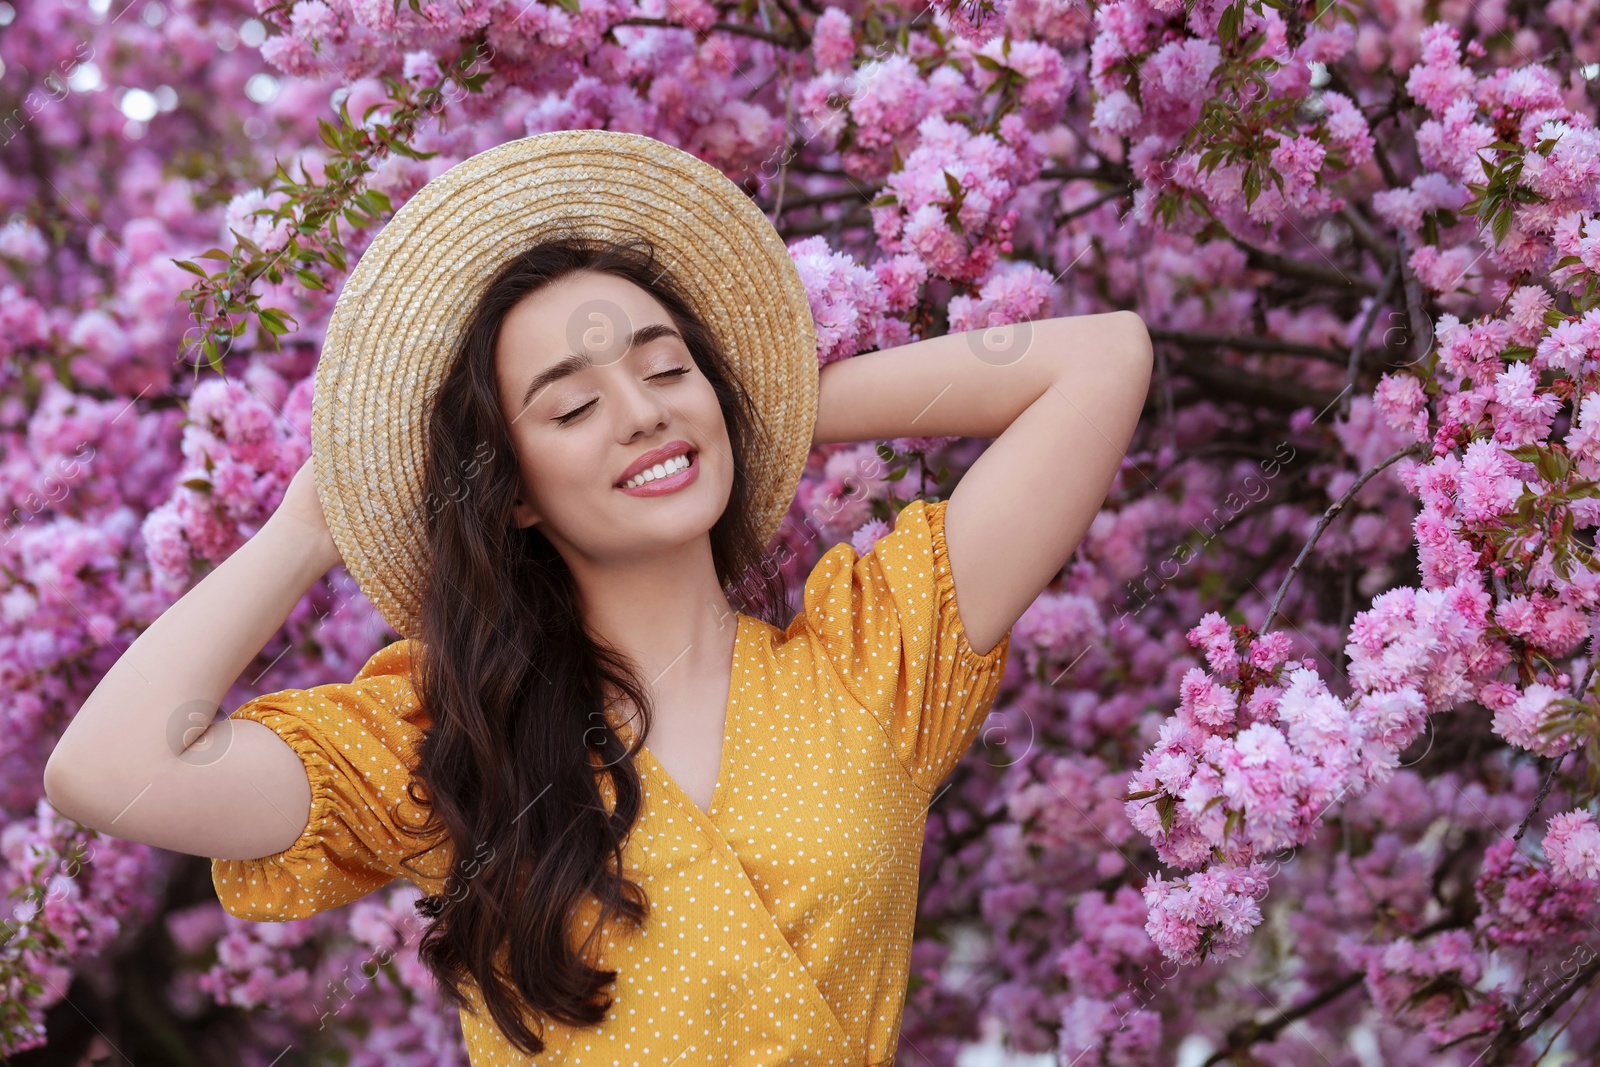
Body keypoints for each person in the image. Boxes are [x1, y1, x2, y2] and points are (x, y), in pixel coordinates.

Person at [43, 130, 1152, 1065]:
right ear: (512, 490)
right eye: (571, 409)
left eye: (666, 369)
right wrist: (298, 534)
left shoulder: (874, 656)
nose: (639, 413)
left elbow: (1101, 360)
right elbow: (110, 769)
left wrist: (762, 402)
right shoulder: (450, 740)